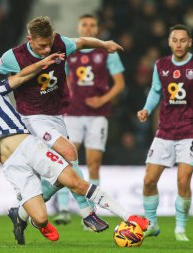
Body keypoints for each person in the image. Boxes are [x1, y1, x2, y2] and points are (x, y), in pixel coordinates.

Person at [0, 53, 149, 244]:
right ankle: (24, 216)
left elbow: (21, 76)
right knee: (41, 219)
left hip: (30, 146)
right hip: (14, 168)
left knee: (75, 181)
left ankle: (129, 217)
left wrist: (43, 63)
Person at [0, 16, 123, 230]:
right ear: (30, 40)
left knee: (65, 168)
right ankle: (87, 214)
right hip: (31, 117)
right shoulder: (15, 56)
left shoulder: (60, 43)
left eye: (49, 44)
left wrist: (104, 44)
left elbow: (82, 42)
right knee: (70, 153)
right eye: (41, 46)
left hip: (56, 114)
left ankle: (21, 212)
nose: (46, 49)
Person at [137, 24, 193, 241]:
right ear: (169, 41)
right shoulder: (160, 65)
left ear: (190, 42)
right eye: (174, 40)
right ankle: (152, 224)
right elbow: (157, 91)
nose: (178, 44)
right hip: (165, 130)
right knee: (148, 181)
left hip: (191, 130)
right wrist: (147, 109)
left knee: (183, 180)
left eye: (183, 40)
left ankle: (180, 228)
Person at [58, 14, 125, 224]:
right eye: (84, 25)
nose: (88, 28)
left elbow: (120, 84)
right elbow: (64, 80)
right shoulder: (70, 52)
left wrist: (102, 99)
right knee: (65, 160)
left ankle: (92, 211)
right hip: (73, 113)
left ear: (97, 29)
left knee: (94, 163)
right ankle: (62, 210)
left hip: (98, 115)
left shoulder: (107, 52)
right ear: (79, 28)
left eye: (92, 25)